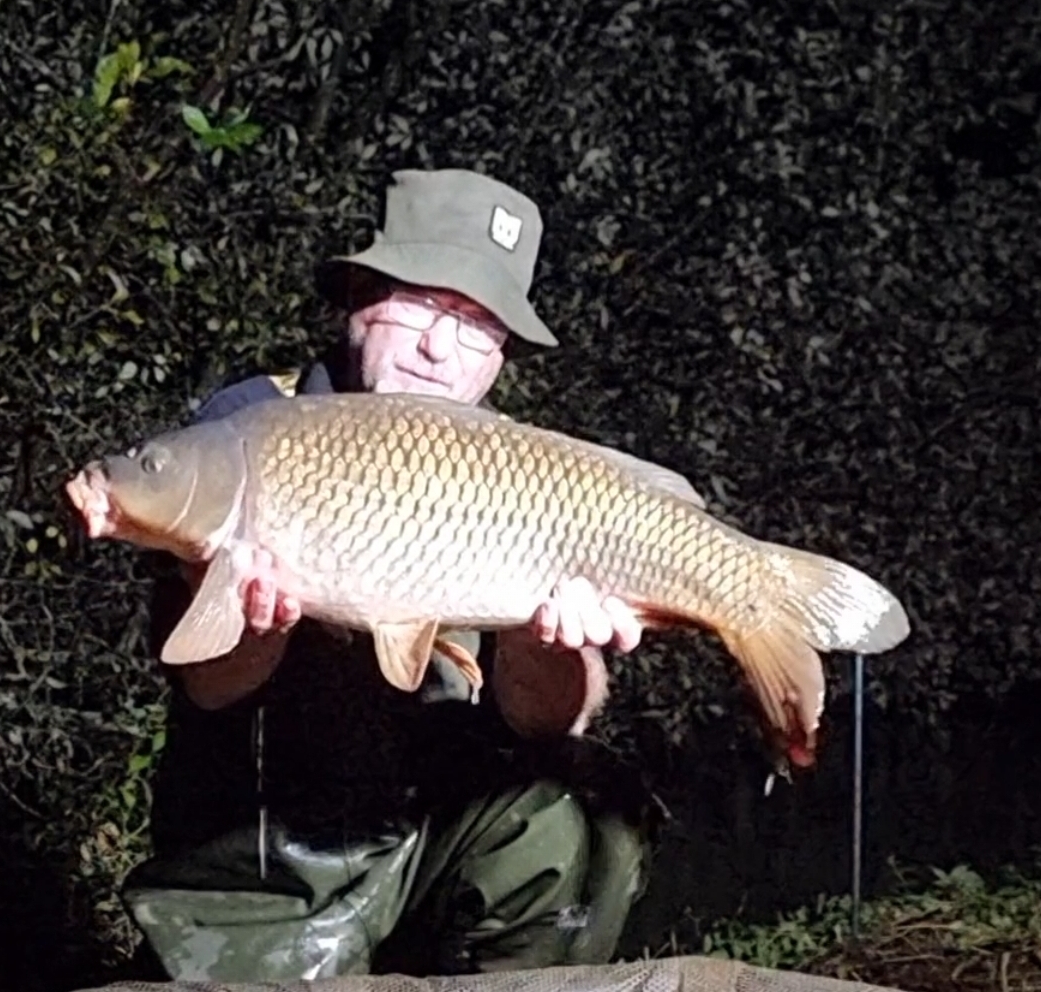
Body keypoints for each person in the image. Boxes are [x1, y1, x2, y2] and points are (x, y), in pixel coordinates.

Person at [119, 169, 660, 983]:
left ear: (500, 355)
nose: (440, 350)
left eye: (476, 326)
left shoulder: (518, 469)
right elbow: (209, 686)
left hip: (423, 836)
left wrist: (542, 639)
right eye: (422, 305)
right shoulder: (250, 429)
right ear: (359, 297)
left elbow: (550, 721)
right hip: (263, 863)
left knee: (579, 808)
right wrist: (259, 621)